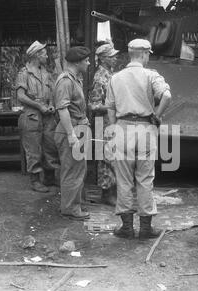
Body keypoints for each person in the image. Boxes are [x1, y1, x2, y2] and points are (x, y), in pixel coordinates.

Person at [106, 39, 172, 239]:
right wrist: (157, 116)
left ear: (129, 53)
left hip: (122, 128)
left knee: (124, 179)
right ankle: (145, 227)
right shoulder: (152, 75)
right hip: (145, 128)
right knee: (145, 178)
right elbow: (167, 96)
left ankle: (126, 227)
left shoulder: (115, 78)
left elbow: (110, 106)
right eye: (148, 54)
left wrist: (114, 126)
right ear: (144, 54)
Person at [16, 40, 60, 193]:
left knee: (50, 146)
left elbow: (53, 92)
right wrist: (38, 105)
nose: (46, 56)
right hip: (32, 116)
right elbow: (20, 96)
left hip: (47, 116)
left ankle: (49, 177)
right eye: (43, 53)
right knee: (33, 149)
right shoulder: (24, 73)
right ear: (35, 55)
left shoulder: (46, 74)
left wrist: (52, 104)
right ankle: (35, 180)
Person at [54, 46, 91, 220]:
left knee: (78, 169)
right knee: (71, 170)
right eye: (86, 60)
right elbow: (62, 109)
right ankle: (70, 208)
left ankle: (74, 204)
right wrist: (71, 135)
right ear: (77, 62)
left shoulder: (75, 79)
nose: (89, 63)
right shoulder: (66, 81)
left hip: (78, 128)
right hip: (71, 129)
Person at [88, 42, 119, 206]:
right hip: (103, 123)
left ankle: (112, 191)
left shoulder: (110, 74)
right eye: (112, 56)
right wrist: (111, 107)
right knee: (106, 160)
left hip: (111, 123)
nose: (115, 58)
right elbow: (93, 104)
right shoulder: (100, 77)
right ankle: (107, 193)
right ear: (103, 59)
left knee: (112, 157)